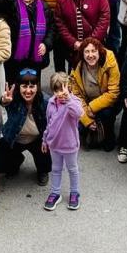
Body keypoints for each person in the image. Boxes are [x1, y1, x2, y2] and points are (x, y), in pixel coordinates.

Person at [0, 70, 51, 185]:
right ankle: (17, 160)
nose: (28, 91)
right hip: (15, 138)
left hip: (37, 140)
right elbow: (3, 101)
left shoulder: (45, 101)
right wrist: (4, 101)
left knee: (45, 162)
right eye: (24, 86)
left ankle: (43, 171)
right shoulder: (12, 98)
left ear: (37, 87)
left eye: (32, 86)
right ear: (19, 87)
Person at [54, 0, 111, 66]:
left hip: (95, 45)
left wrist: (91, 42)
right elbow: (60, 23)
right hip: (73, 48)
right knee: (76, 76)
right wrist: (73, 43)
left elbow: (105, 16)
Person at [68, 38, 120, 150]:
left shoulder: (109, 60)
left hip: (107, 101)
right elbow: (76, 96)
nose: (90, 55)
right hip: (86, 102)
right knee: (80, 126)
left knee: (107, 114)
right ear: (82, 53)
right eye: (87, 51)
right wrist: (87, 120)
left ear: (99, 51)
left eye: (94, 51)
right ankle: (91, 129)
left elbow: (113, 93)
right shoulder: (77, 65)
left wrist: (92, 107)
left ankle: (109, 135)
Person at [4, 0, 56, 84]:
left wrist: (46, 44)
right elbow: (2, 6)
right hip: (16, 55)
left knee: (34, 86)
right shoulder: (11, 5)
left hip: (35, 55)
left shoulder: (43, 6)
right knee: (15, 85)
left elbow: (52, 28)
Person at [42, 73, 83, 211]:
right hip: (54, 144)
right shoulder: (51, 103)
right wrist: (45, 139)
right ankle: (55, 193)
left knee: (72, 169)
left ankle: (74, 192)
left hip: (70, 144)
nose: (60, 93)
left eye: (62, 89)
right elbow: (49, 123)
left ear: (69, 87)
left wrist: (69, 99)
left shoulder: (74, 102)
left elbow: (78, 113)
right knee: (56, 169)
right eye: (56, 90)